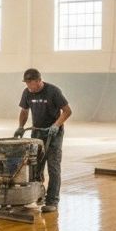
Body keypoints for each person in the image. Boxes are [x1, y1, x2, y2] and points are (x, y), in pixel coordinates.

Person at [14, 68, 72, 213]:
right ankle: (37, 194)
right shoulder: (27, 93)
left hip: (54, 132)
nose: (29, 87)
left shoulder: (53, 91)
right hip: (37, 131)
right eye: (27, 83)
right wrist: (21, 126)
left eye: (31, 83)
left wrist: (56, 125)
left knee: (53, 166)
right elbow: (24, 111)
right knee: (36, 165)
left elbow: (67, 111)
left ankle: (52, 201)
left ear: (39, 81)